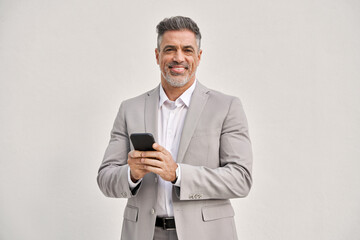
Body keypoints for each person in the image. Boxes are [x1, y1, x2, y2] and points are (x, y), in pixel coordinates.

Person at [97, 16, 253, 240]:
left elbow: (241, 179)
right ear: (157, 55)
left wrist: (177, 173)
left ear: (198, 57)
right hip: (143, 234)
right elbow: (105, 178)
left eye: (187, 50)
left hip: (206, 234)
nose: (178, 58)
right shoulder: (129, 109)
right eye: (170, 49)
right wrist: (131, 174)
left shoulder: (227, 107)